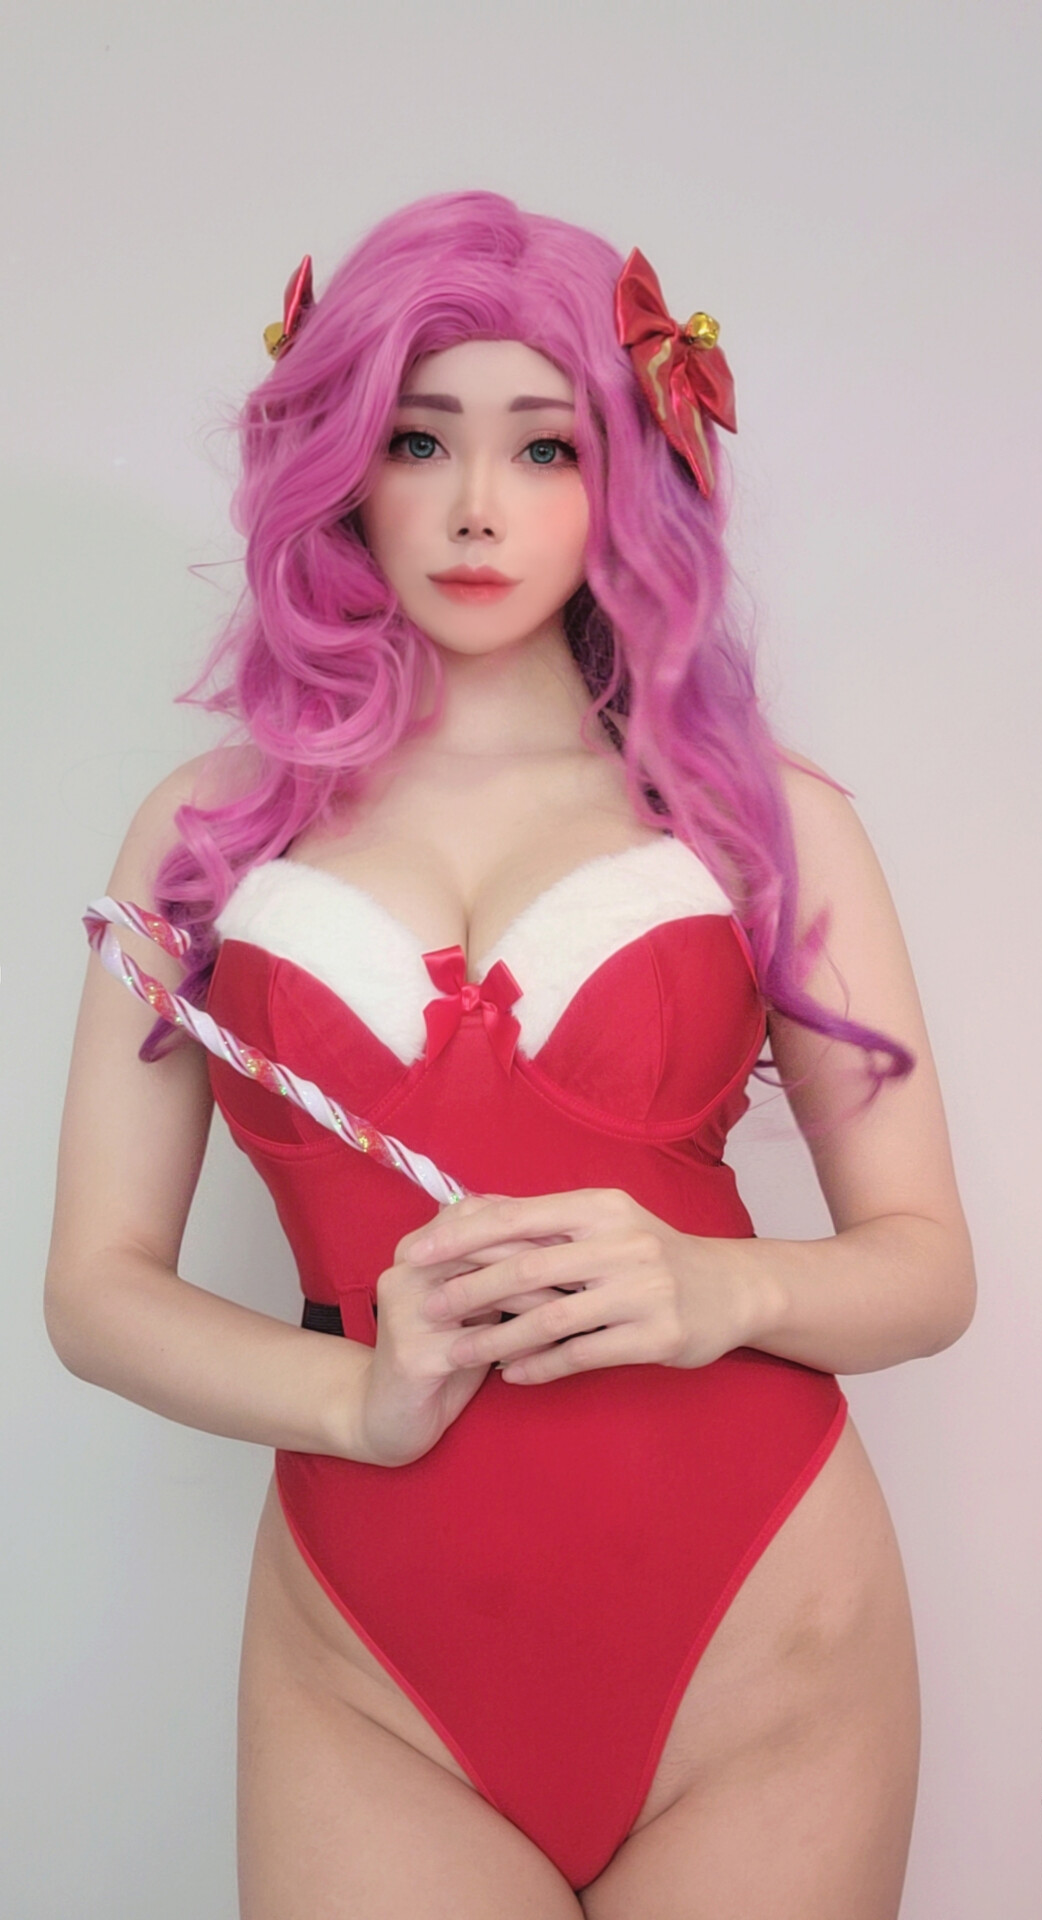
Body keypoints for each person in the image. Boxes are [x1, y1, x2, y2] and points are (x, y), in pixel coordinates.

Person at [45, 190, 976, 1919]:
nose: (478, 505)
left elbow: (929, 1271)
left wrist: (722, 1286)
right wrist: (349, 1398)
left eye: (546, 447)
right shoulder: (204, 839)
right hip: (370, 1674)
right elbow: (94, 1292)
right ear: (343, 464)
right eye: (419, 439)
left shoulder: (763, 823)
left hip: (767, 1639)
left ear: (627, 471)